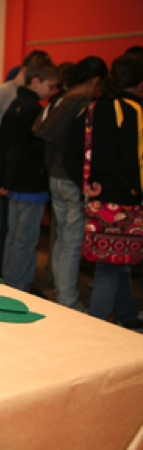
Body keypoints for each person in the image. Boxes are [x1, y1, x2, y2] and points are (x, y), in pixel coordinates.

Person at [33, 56, 108, 310]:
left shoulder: (60, 101)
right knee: (71, 241)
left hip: (55, 177)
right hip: (72, 179)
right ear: (96, 80)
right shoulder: (84, 106)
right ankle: (67, 299)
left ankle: (61, 291)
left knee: (62, 239)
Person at [0, 50, 51, 281]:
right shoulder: (2, 92)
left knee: (9, 226)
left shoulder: (27, 98)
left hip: (8, 168)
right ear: (28, 72)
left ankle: (5, 272)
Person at [82, 53, 143, 330]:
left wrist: (87, 180)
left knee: (118, 263)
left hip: (98, 198)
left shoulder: (96, 106)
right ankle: (97, 328)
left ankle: (127, 316)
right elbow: (137, 160)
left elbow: (85, 149)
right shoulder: (135, 110)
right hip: (125, 200)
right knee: (111, 266)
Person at [0, 57, 59, 293]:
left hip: (16, 184)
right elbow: (20, 150)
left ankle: (11, 280)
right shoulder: (34, 110)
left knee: (14, 237)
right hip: (31, 185)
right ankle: (19, 285)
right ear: (37, 81)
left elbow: (3, 145)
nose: (52, 92)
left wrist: (3, 179)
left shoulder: (15, 104)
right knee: (26, 239)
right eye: (51, 86)